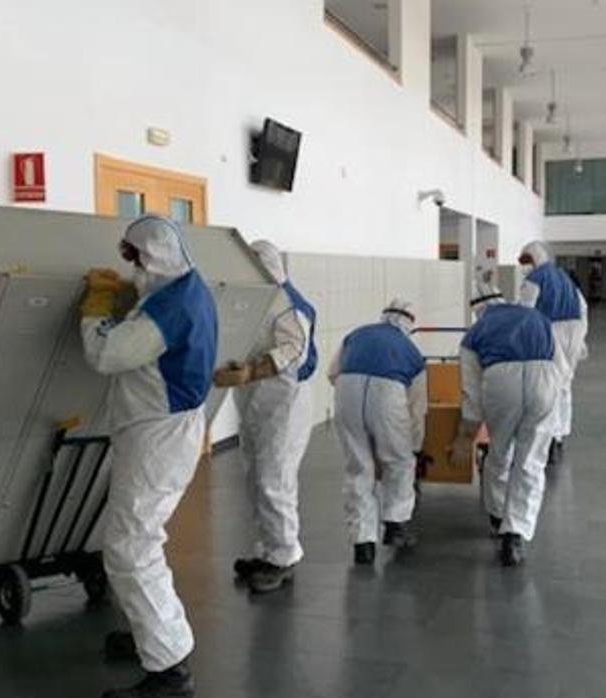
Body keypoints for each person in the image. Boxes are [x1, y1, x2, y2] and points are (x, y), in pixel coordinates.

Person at [80, 216, 217, 698]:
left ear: (152, 258)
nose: (131, 268)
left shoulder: (168, 310)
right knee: (136, 540)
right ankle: (152, 636)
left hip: (158, 436)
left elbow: (107, 355)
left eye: (134, 258)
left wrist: (95, 308)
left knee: (131, 547)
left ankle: (170, 668)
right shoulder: (190, 289)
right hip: (166, 429)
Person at [212, 240, 317, 594]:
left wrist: (252, 371)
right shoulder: (254, 298)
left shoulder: (288, 302)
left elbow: (295, 350)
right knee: (255, 476)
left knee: (275, 477)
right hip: (255, 398)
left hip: (284, 399)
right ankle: (268, 549)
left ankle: (284, 555)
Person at [450, 283, 558, 566]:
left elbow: (471, 392)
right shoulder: (537, 317)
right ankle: (515, 534)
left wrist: (466, 435)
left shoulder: (475, 333)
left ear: (477, 309)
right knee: (530, 460)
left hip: (500, 381)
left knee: (499, 452)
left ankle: (498, 517)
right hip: (543, 378)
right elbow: (557, 360)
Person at [329, 299, 428, 565]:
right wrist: (415, 446)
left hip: (346, 389)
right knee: (400, 461)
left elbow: (332, 373)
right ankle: (396, 525)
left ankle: (363, 542)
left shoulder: (356, 334)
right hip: (388, 392)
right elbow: (417, 408)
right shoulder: (411, 351)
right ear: (409, 323)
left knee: (358, 467)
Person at [517, 241, 588, 461]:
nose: (523, 266)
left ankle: (548, 438)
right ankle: (560, 433)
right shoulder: (563, 276)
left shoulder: (535, 278)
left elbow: (525, 312)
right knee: (565, 383)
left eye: (525, 261)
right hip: (574, 330)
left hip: (551, 331)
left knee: (549, 385)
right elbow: (583, 307)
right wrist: (581, 339)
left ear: (534, 258)